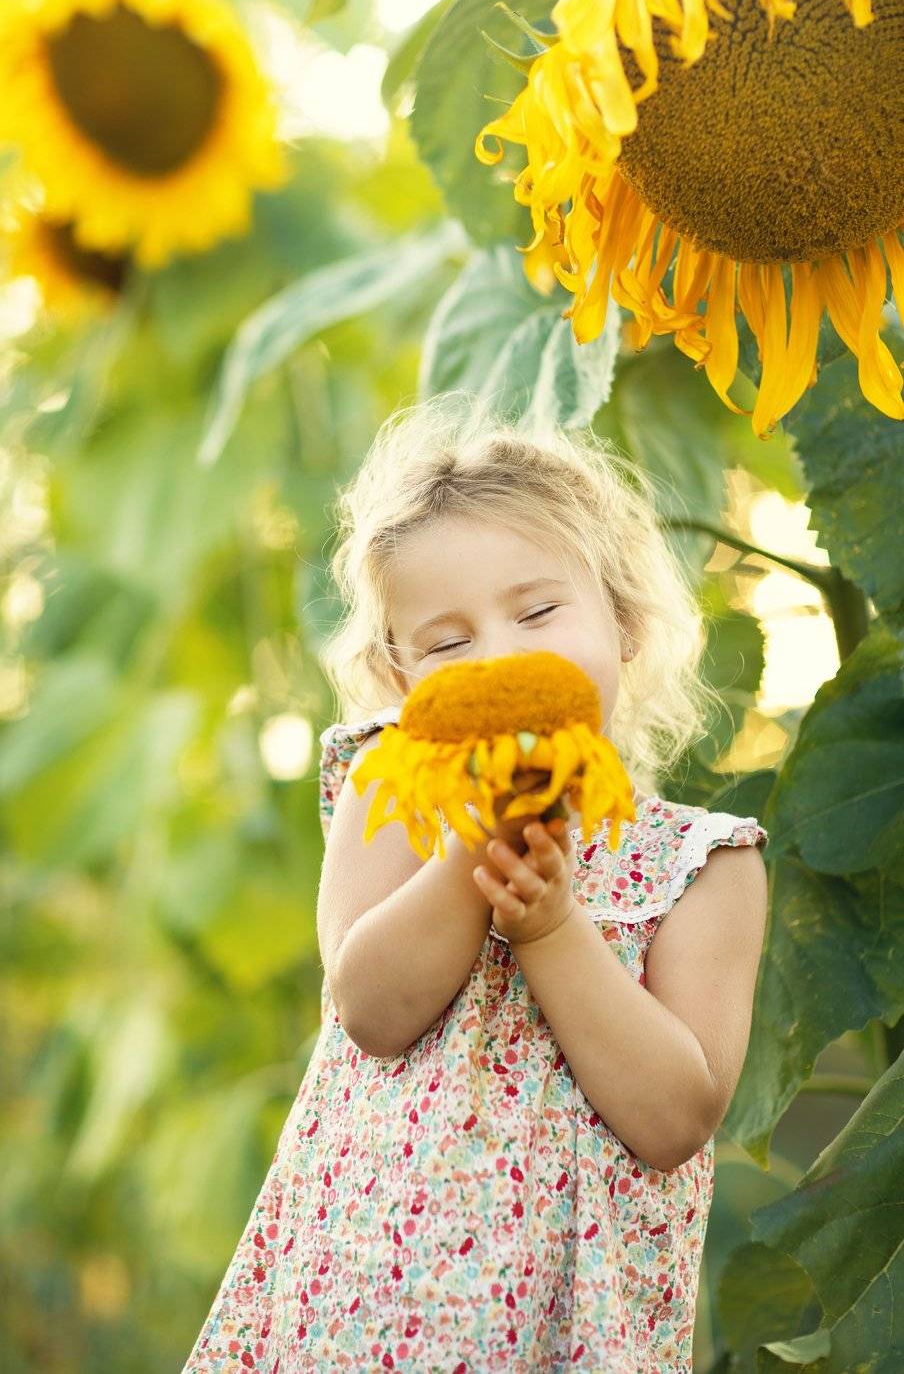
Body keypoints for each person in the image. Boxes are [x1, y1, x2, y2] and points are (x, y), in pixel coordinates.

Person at [181, 393, 769, 1373]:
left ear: (622, 624)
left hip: (565, 1326)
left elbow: (674, 1120)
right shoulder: (393, 787)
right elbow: (368, 1008)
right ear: (403, 677)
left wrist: (549, 928)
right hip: (368, 1307)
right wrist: (474, 845)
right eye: (448, 644)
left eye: (537, 611)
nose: (500, 654)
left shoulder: (700, 865)